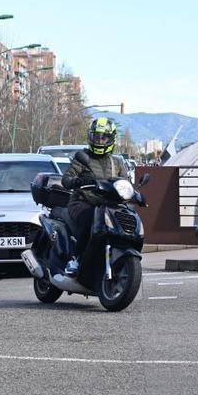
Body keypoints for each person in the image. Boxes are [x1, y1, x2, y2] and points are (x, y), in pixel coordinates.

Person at [59, 117, 128, 277]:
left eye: (104, 137)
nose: (99, 140)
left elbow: (125, 182)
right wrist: (79, 181)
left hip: (109, 205)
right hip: (82, 202)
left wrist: (133, 191)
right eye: (96, 137)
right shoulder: (83, 158)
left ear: (111, 139)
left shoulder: (117, 162)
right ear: (90, 137)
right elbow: (66, 179)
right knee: (91, 219)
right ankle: (76, 260)